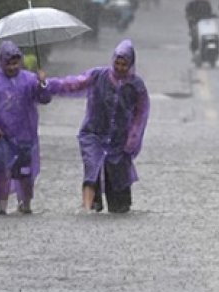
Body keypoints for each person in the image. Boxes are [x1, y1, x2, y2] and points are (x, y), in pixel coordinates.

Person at [46, 39, 150, 213]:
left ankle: (118, 206)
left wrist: (132, 140)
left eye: (124, 64)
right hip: (93, 133)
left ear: (131, 64)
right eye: (117, 63)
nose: (120, 67)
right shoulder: (98, 76)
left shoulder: (137, 86)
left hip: (119, 141)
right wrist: (49, 85)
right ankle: (88, 208)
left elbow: (141, 115)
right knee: (92, 167)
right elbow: (73, 84)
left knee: (118, 183)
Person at [0, 40, 51, 215]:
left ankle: (26, 205)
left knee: (25, 172)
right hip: (0, 135)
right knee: (3, 170)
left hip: (25, 135)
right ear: (1, 62)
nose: (12, 67)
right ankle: (2, 209)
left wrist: (42, 84)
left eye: (15, 63)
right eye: (8, 63)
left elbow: (44, 99)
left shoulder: (29, 79)